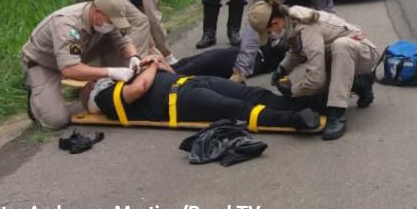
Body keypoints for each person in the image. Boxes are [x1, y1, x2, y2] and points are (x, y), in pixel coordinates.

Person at [20, 0, 162, 129]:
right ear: (96, 12)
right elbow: (69, 70)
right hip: (44, 63)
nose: (112, 25)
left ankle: (97, 89)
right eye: (110, 21)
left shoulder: (107, 17)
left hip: (79, 53)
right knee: (56, 121)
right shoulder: (67, 25)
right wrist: (110, 72)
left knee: (113, 43)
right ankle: (36, 95)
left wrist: (134, 57)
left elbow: (123, 41)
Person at [247, 0, 378, 141]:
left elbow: (316, 79)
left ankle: (337, 114)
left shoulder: (305, 26)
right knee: (318, 95)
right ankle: (360, 83)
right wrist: (282, 69)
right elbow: (296, 51)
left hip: (363, 53)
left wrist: (292, 90)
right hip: (340, 60)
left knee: (340, 47)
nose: (271, 36)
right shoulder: (291, 20)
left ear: (275, 22)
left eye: (269, 32)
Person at [82, 58, 321, 130]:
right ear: (92, 88)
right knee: (237, 108)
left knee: (253, 94)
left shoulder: (123, 80)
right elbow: (140, 89)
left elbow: (168, 73)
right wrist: (152, 66)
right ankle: (296, 120)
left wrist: (158, 63)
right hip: (181, 100)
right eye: (94, 78)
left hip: (191, 83)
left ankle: (311, 103)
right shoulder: (105, 99)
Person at [73, 0, 189, 64]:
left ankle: (109, 66)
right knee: (140, 21)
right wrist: (166, 53)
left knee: (115, 28)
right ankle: (135, 63)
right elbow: (153, 20)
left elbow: (142, 11)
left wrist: (152, 46)